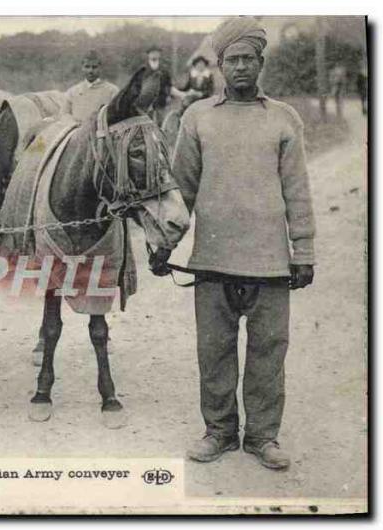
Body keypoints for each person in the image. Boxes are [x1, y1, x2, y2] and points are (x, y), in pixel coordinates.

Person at [158, 16, 316, 471]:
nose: (241, 67)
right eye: (233, 60)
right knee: (215, 352)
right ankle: (219, 432)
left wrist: (302, 251)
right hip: (212, 261)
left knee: (268, 352)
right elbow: (180, 192)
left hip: (270, 263)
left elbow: (298, 191)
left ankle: (263, 436)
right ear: (220, 66)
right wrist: (165, 246)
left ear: (260, 63)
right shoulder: (197, 117)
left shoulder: (284, 119)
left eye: (249, 59)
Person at [62, 50, 119, 122]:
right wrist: (75, 124)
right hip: (77, 131)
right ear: (82, 68)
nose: (90, 71)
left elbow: (117, 116)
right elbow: (64, 114)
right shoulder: (72, 92)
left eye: (94, 67)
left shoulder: (112, 91)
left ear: (100, 68)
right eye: (87, 67)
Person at [141, 46, 185, 127]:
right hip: (147, 101)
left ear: (159, 55)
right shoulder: (143, 69)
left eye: (156, 53)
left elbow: (168, 85)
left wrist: (168, 96)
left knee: (161, 123)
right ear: (148, 55)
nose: (154, 55)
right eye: (152, 53)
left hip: (161, 100)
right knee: (147, 123)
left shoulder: (164, 70)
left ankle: (160, 138)